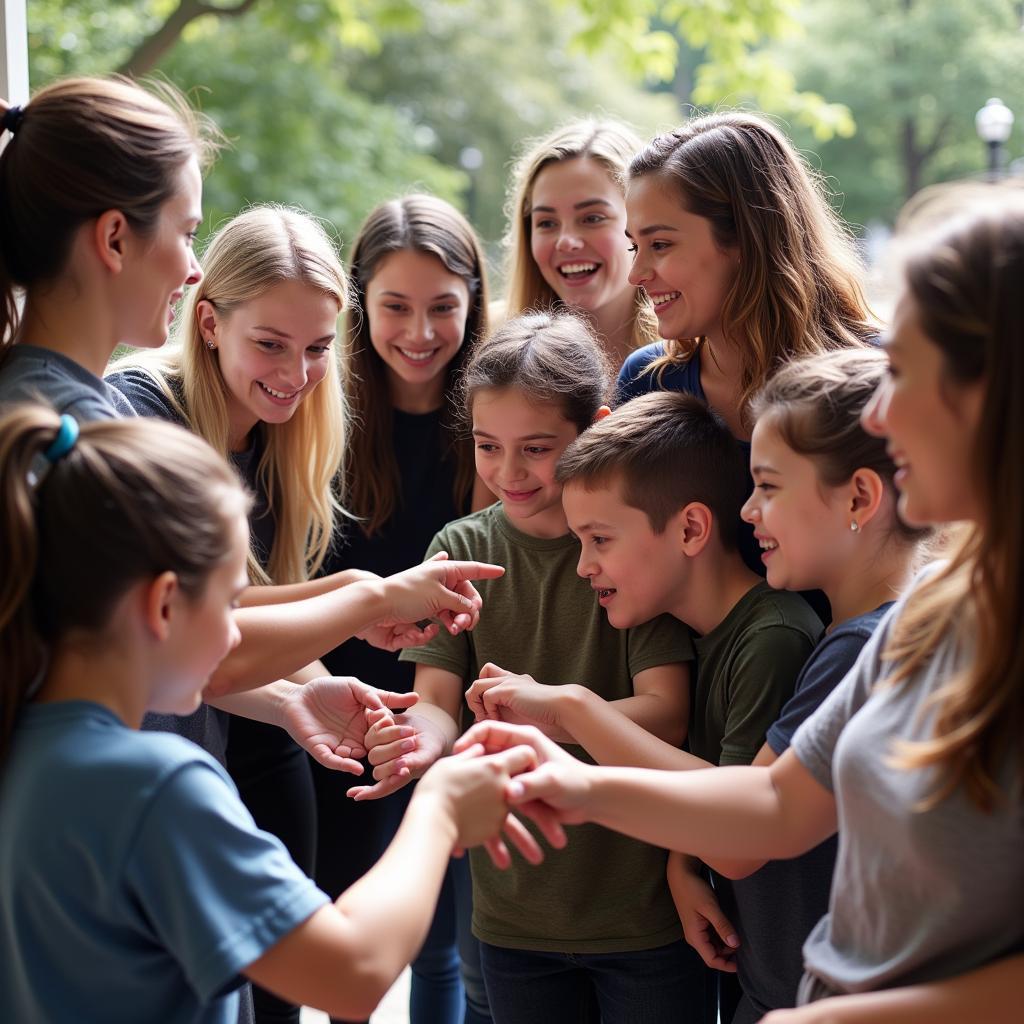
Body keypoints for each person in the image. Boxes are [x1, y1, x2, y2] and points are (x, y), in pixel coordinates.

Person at [459, 189, 1024, 1023]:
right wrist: (571, 785)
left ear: (991, 391)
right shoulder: (938, 610)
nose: (880, 410)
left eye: (905, 371)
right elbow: (774, 806)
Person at [0, 406, 557, 1024]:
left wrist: (288, 698)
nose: (240, 623)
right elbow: (352, 973)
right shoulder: (156, 787)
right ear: (163, 605)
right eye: (232, 598)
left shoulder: (27, 739)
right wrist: (442, 810)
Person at [359, 311, 698, 1024]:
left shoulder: (626, 546)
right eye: (488, 446)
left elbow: (667, 709)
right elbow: (434, 702)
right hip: (512, 917)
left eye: (536, 449)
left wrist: (549, 706)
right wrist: (411, 739)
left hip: (639, 910)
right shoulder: (461, 546)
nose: (508, 473)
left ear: (594, 429)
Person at [669, 349, 927, 1023]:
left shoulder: (858, 649)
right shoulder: (866, 625)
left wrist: (576, 725)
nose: (748, 513)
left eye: (769, 486)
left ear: (860, 497)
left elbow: (739, 837)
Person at [312, 194, 492, 1024]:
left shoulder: (494, 418)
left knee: (444, 941)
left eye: (442, 308)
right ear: (360, 303)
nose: (419, 332)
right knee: (340, 925)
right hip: (339, 707)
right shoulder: (323, 412)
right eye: (395, 307)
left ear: (474, 304)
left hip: (454, 702)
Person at [615, 111, 876, 580]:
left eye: (661, 244)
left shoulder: (874, 375)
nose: (636, 274)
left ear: (744, 240)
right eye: (635, 246)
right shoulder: (646, 382)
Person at [503, 119, 657, 368]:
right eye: (546, 223)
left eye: (592, 218)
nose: (566, 242)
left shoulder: (701, 364)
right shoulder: (493, 355)